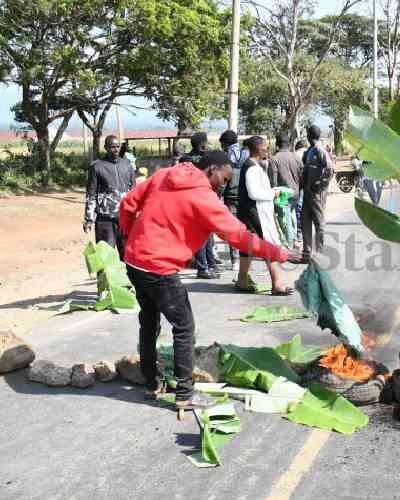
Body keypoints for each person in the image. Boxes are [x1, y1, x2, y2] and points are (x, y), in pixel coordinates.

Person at [119, 150, 299, 409]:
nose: (223, 186)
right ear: (212, 169)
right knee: (184, 327)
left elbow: (128, 203)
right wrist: (280, 253)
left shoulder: (165, 174)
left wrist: (128, 236)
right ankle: (185, 393)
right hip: (160, 267)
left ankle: (151, 382)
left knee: (149, 321)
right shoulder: (204, 198)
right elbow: (238, 236)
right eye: (224, 180)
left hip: (135, 261)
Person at [235, 136, 294, 295]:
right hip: (255, 213)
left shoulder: (252, 165)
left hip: (249, 212)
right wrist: (274, 193)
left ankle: (242, 279)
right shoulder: (252, 167)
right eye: (265, 146)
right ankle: (277, 284)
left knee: (247, 247)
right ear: (257, 148)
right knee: (268, 246)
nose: (267, 149)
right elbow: (255, 193)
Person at [83, 135, 136, 260]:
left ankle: (128, 280)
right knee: (105, 258)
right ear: (106, 148)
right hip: (105, 220)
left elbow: (134, 191)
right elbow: (91, 194)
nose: (116, 150)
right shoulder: (97, 166)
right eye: (112, 147)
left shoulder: (127, 165)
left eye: (118, 146)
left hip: (125, 218)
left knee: (129, 257)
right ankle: (104, 280)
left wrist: (137, 214)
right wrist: (89, 219)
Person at [180, 133, 220, 279]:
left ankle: (211, 264)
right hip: (196, 200)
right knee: (202, 235)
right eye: (205, 143)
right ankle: (203, 268)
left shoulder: (189, 159)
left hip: (204, 199)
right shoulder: (190, 160)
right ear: (200, 144)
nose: (207, 145)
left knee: (208, 235)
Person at [300, 125, 335, 261]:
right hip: (308, 193)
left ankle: (320, 253)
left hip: (316, 193)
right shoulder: (309, 150)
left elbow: (330, 168)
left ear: (309, 135)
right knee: (305, 221)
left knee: (319, 222)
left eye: (308, 133)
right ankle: (307, 253)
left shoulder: (319, 150)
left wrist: (320, 183)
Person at [267, 134, 303, 245]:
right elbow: (302, 176)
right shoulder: (296, 157)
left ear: (277, 144)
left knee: (284, 220)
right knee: (292, 217)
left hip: (282, 195)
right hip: (296, 193)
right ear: (289, 144)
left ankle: (290, 243)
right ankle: (295, 240)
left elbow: (273, 181)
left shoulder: (274, 159)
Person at [220, 129, 248, 271]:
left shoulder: (225, 157)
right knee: (245, 228)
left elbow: (223, 180)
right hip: (245, 196)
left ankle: (235, 260)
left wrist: (218, 195)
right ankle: (245, 259)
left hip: (230, 197)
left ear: (225, 143)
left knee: (232, 229)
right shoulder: (246, 153)